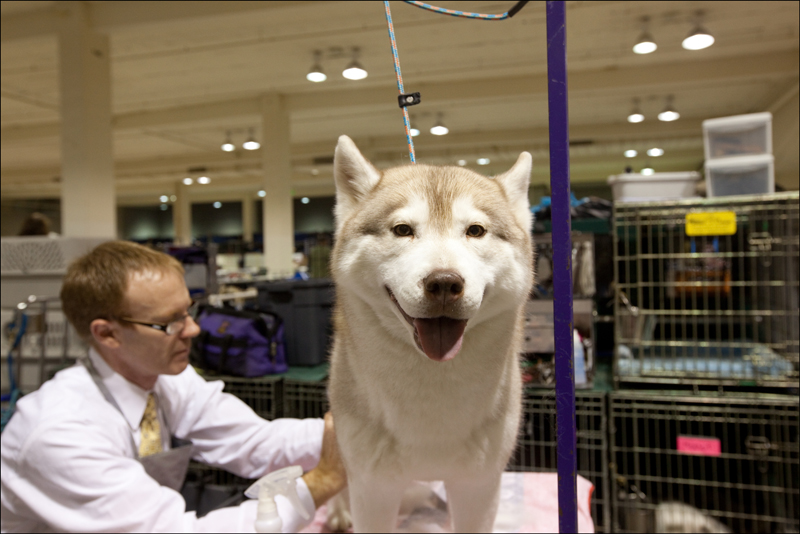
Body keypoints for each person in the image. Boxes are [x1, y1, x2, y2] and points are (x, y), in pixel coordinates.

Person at [0, 241, 346, 532]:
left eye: (188, 311)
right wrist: (321, 482)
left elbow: (254, 441)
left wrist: (351, 434)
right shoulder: (61, 432)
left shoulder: (166, 379)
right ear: (107, 334)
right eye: (169, 322)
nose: (193, 329)